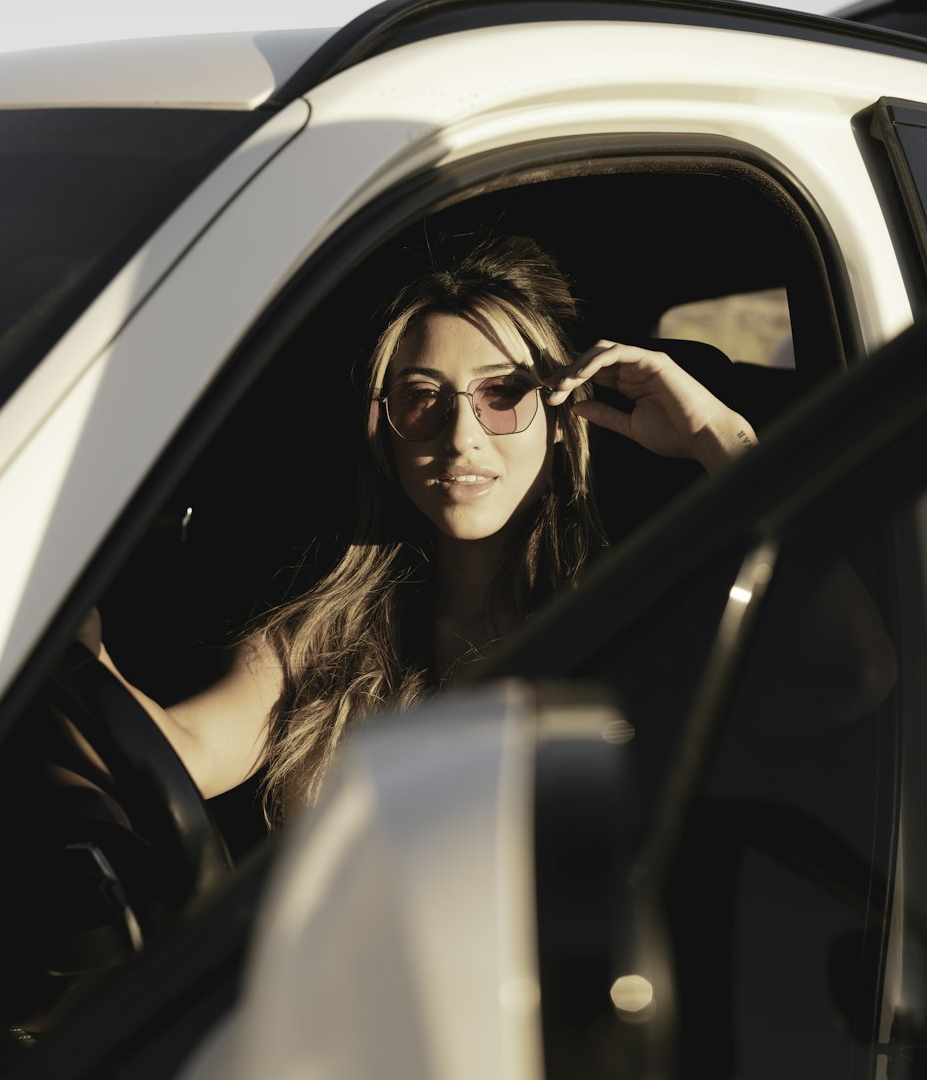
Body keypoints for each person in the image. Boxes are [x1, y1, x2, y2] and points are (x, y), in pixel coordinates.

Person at [81, 236, 756, 823]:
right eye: (423, 395)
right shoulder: (319, 639)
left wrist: (720, 438)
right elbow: (181, 755)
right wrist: (64, 633)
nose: (461, 436)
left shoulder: (633, 612)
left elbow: (851, 672)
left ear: (561, 419)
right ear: (387, 432)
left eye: (503, 393)